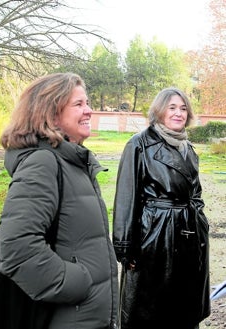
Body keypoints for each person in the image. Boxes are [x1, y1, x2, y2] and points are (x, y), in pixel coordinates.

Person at [0, 72, 118, 329]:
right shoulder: (43, 162)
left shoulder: (73, 161)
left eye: (87, 103)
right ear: (50, 114)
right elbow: (17, 249)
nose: (89, 110)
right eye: (78, 104)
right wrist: (79, 283)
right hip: (69, 317)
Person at [113, 87, 210, 329]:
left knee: (184, 308)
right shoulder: (139, 145)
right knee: (149, 311)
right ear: (159, 111)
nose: (179, 113)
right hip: (155, 238)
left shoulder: (187, 148)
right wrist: (126, 247)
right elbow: (126, 196)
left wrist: (199, 222)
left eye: (184, 108)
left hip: (189, 237)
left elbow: (195, 193)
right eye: (172, 107)